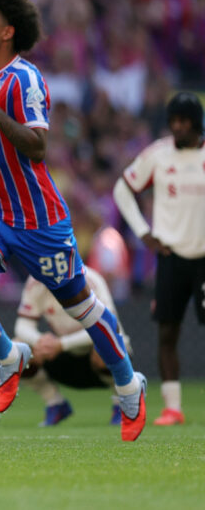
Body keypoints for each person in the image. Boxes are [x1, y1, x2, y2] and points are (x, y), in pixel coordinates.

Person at [0, 0, 146, 441]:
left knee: (83, 308)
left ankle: (129, 382)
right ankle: (9, 353)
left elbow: (37, 147)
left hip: (38, 220)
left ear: (8, 31)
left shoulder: (26, 79)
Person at [112, 91, 205, 427]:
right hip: (171, 255)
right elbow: (123, 189)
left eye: (185, 122)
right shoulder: (158, 155)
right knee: (168, 332)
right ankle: (173, 408)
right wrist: (143, 232)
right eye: (174, 122)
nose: (178, 128)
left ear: (197, 124)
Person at [15, 267, 128, 427]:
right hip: (61, 356)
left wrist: (62, 344)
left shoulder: (90, 279)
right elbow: (22, 325)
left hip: (96, 356)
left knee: (105, 345)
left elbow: (108, 327)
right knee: (16, 350)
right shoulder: (35, 281)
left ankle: (122, 403)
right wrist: (40, 340)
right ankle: (55, 403)